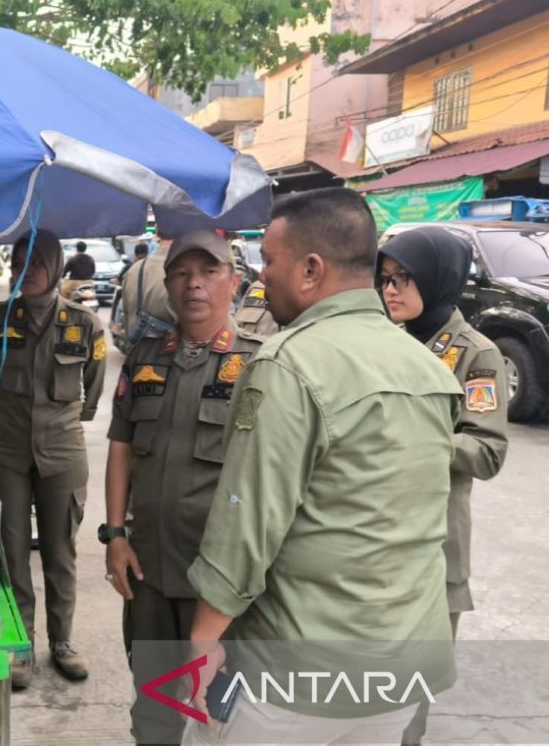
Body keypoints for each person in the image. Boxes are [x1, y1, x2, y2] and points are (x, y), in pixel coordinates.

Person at [183, 189, 463, 744]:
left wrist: (203, 639)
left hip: (296, 676)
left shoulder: (288, 364)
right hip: (400, 669)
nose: (262, 276)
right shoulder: (425, 366)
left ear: (311, 269)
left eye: (268, 259)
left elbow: (247, 527)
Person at [103, 230, 264, 744]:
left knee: (215, 711)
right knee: (152, 705)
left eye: (209, 272)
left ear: (233, 282)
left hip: (215, 579)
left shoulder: (259, 364)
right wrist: (114, 536)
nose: (194, 284)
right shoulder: (145, 356)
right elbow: (121, 446)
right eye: (181, 274)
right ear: (168, 284)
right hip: (147, 567)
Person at [378, 228, 509, 745]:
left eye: (404, 279)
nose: (390, 290)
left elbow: (488, 451)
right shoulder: (381, 342)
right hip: (374, 539)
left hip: (434, 548)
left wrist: (422, 438)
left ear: (438, 278)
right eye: (385, 279)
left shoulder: (476, 355)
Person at [0, 229, 105, 690]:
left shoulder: (85, 325)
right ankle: (20, 646)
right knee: (11, 552)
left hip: (62, 449)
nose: (26, 271)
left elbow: (93, 391)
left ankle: (63, 642)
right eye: (18, 261)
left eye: (37, 261)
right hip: (7, 448)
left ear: (56, 267)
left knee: (60, 550)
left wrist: (59, 420)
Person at [120, 234, 175, 347]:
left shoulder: (135, 269)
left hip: (137, 354)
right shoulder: (187, 272)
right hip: (172, 357)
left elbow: (126, 315)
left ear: (158, 234)